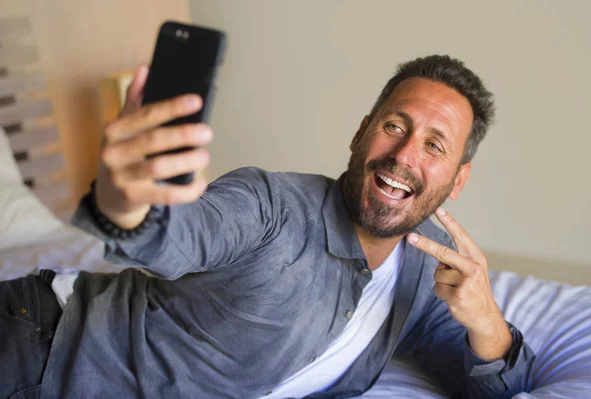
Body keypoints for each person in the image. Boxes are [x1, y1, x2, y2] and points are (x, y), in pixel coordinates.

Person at [1, 55, 535, 399]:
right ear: (361, 132)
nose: (402, 156)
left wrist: (487, 320)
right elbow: (181, 234)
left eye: (434, 145)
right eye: (394, 125)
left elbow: (489, 383)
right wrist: (127, 198)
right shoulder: (271, 204)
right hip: (44, 342)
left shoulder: (427, 266)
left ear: (458, 179)